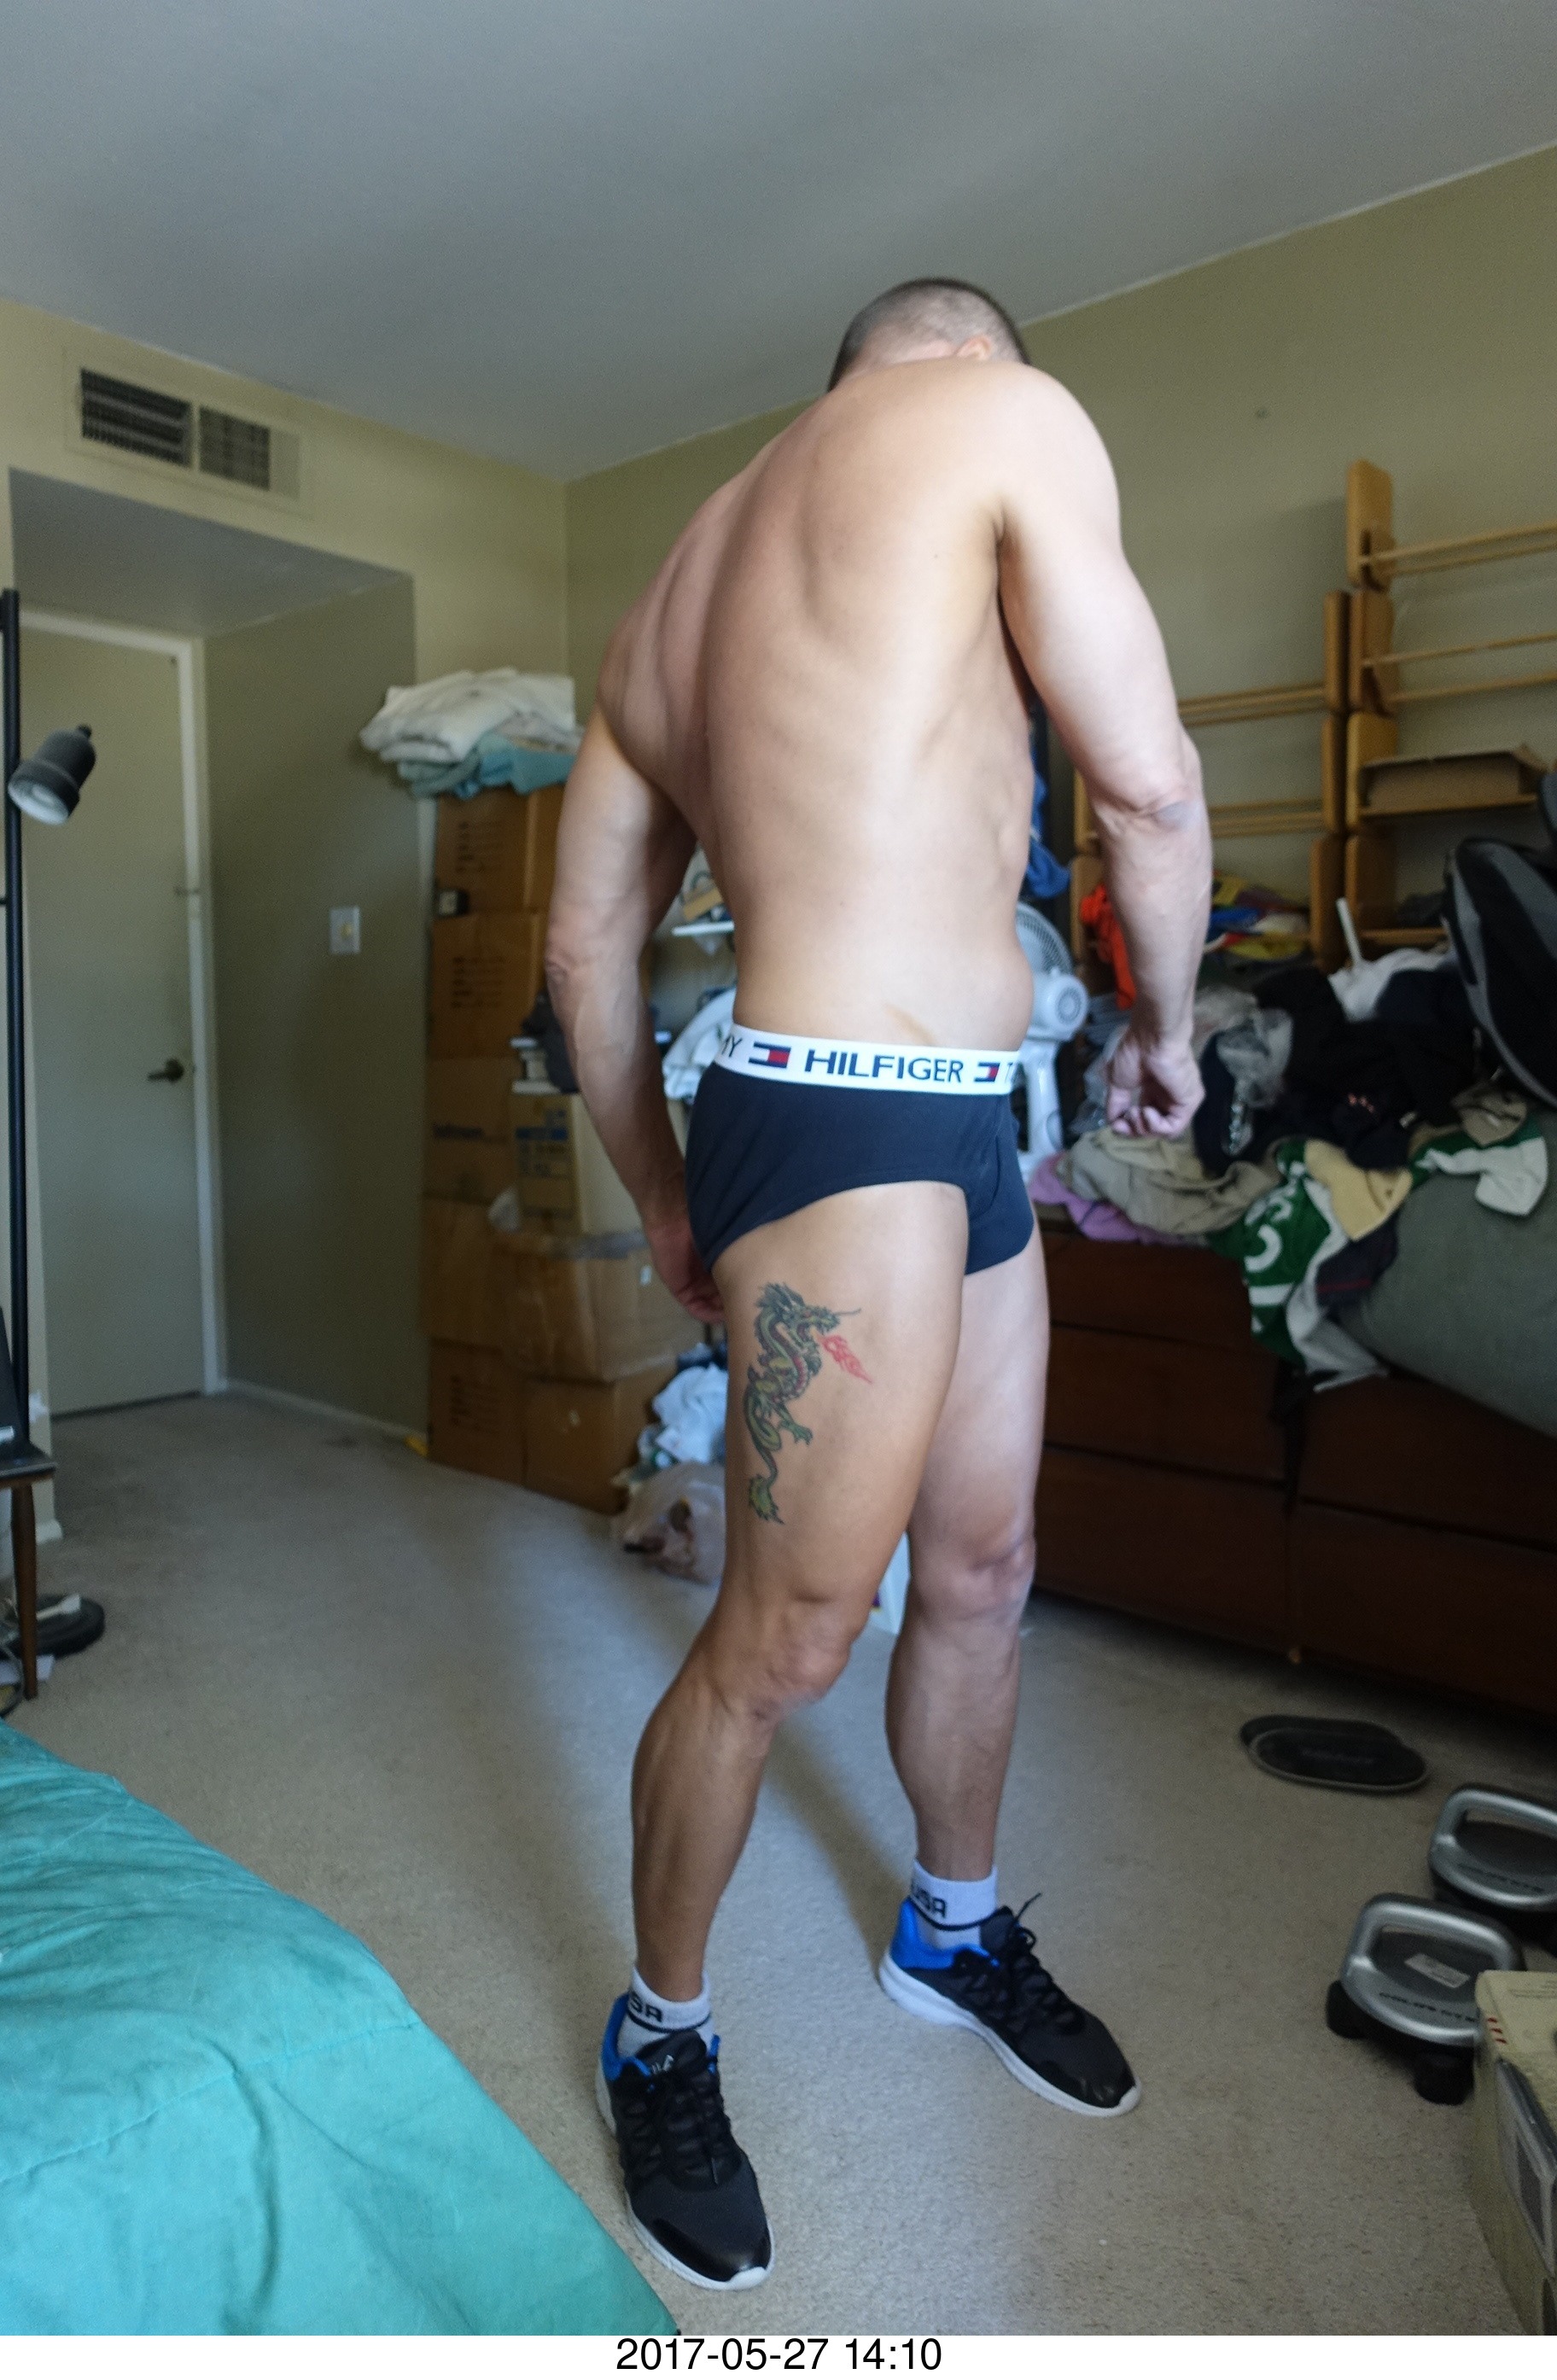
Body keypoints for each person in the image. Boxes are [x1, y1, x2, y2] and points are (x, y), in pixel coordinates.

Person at [546, 277, 1210, 2291]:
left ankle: (954, 1924)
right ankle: (661, 2031)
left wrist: (664, 1195)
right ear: (975, 356)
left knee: (986, 1564)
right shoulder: (1005, 417)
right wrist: (1169, 1031)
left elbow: (584, 962)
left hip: (932, 1110)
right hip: (840, 1104)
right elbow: (1149, 784)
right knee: (788, 1632)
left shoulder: (676, 584)